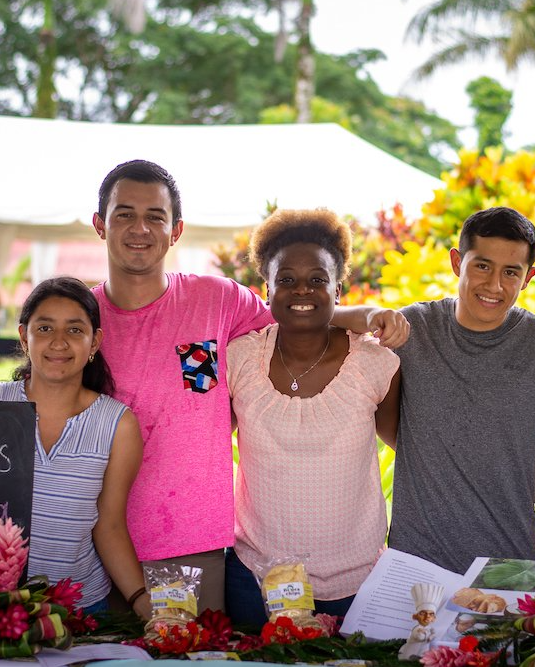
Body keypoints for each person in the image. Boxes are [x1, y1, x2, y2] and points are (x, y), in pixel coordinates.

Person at [91, 160, 408, 611]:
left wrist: (358, 314)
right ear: (100, 224)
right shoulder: (81, 320)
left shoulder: (218, 301)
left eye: (155, 216)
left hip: (196, 545)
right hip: (99, 542)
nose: (140, 228)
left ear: (176, 229)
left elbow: (297, 312)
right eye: (124, 214)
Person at [224, 209, 400, 622]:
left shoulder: (375, 363)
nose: (301, 289)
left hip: (356, 583)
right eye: (285, 279)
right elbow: (206, 442)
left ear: (338, 289)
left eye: (317, 279)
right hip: (255, 577)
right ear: (265, 289)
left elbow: (406, 445)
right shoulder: (240, 359)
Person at [385, 206, 535, 573]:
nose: (494, 286)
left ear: (529, 277)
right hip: (416, 560)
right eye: (482, 266)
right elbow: (387, 419)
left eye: (511, 273)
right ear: (457, 262)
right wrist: (437, 451)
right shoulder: (412, 330)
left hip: (510, 561)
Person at [0, 277, 150, 619]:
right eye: (44, 328)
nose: (58, 342)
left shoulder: (117, 424)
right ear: (23, 337)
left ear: (95, 342)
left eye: (75, 330)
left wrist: (141, 601)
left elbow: (108, 525)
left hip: (81, 610)